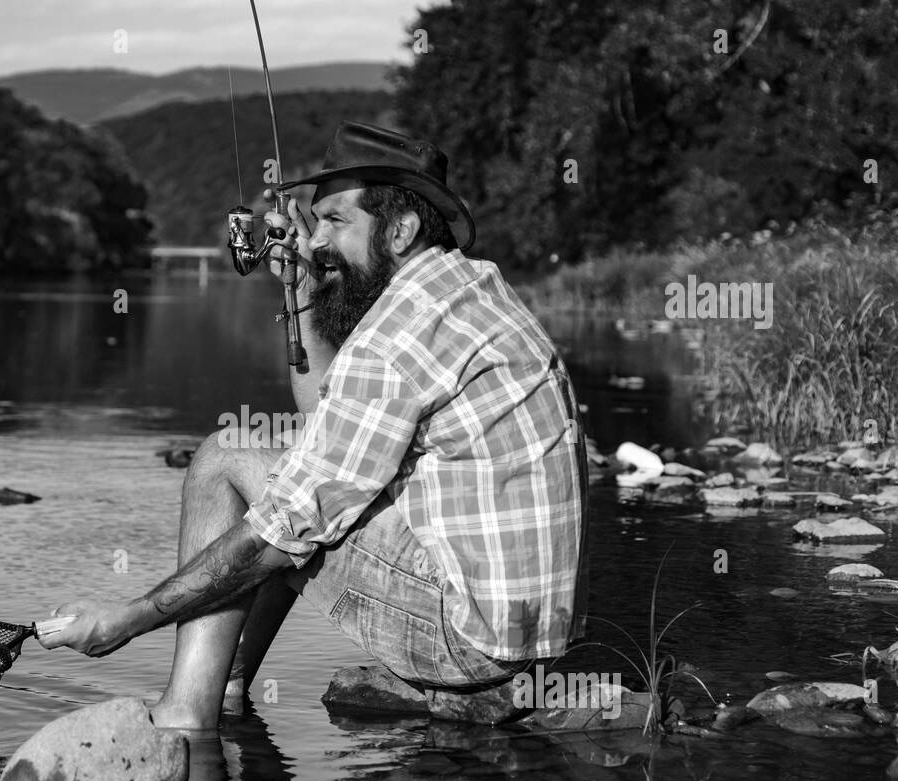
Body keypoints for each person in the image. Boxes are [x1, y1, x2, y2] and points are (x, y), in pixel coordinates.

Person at [40, 121, 589, 730]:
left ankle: (184, 713)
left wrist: (131, 616)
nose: (316, 240)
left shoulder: (394, 336)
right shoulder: (470, 288)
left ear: (400, 230)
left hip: (471, 640)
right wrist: (299, 289)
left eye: (334, 221)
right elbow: (325, 430)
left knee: (230, 460)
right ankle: (227, 687)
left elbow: (284, 529)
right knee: (295, 477)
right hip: (534, 628)